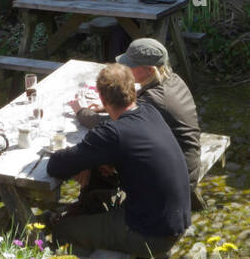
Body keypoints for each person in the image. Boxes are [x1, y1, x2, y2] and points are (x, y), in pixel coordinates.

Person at [47, 63, 191, 259]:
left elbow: (55, 166)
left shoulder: (112, 134)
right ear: (133, 90)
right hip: (175, 220)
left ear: (102, 98)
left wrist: (86, 160)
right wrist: (96, 161)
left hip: (151, 234)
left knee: (62, 227)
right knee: (92, 200)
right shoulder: (150, 112)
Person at [71, 37, 203, 206]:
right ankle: (96, 204)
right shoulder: (172, 80)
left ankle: (94, 212)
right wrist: (106, 106)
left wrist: (80, 111)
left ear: (149, 70)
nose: (124, 69)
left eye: (130, 66)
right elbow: (132, 107)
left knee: (98, 156)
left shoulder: (154, 100)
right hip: (185, 159)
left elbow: (110, 126)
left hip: (176, 176)